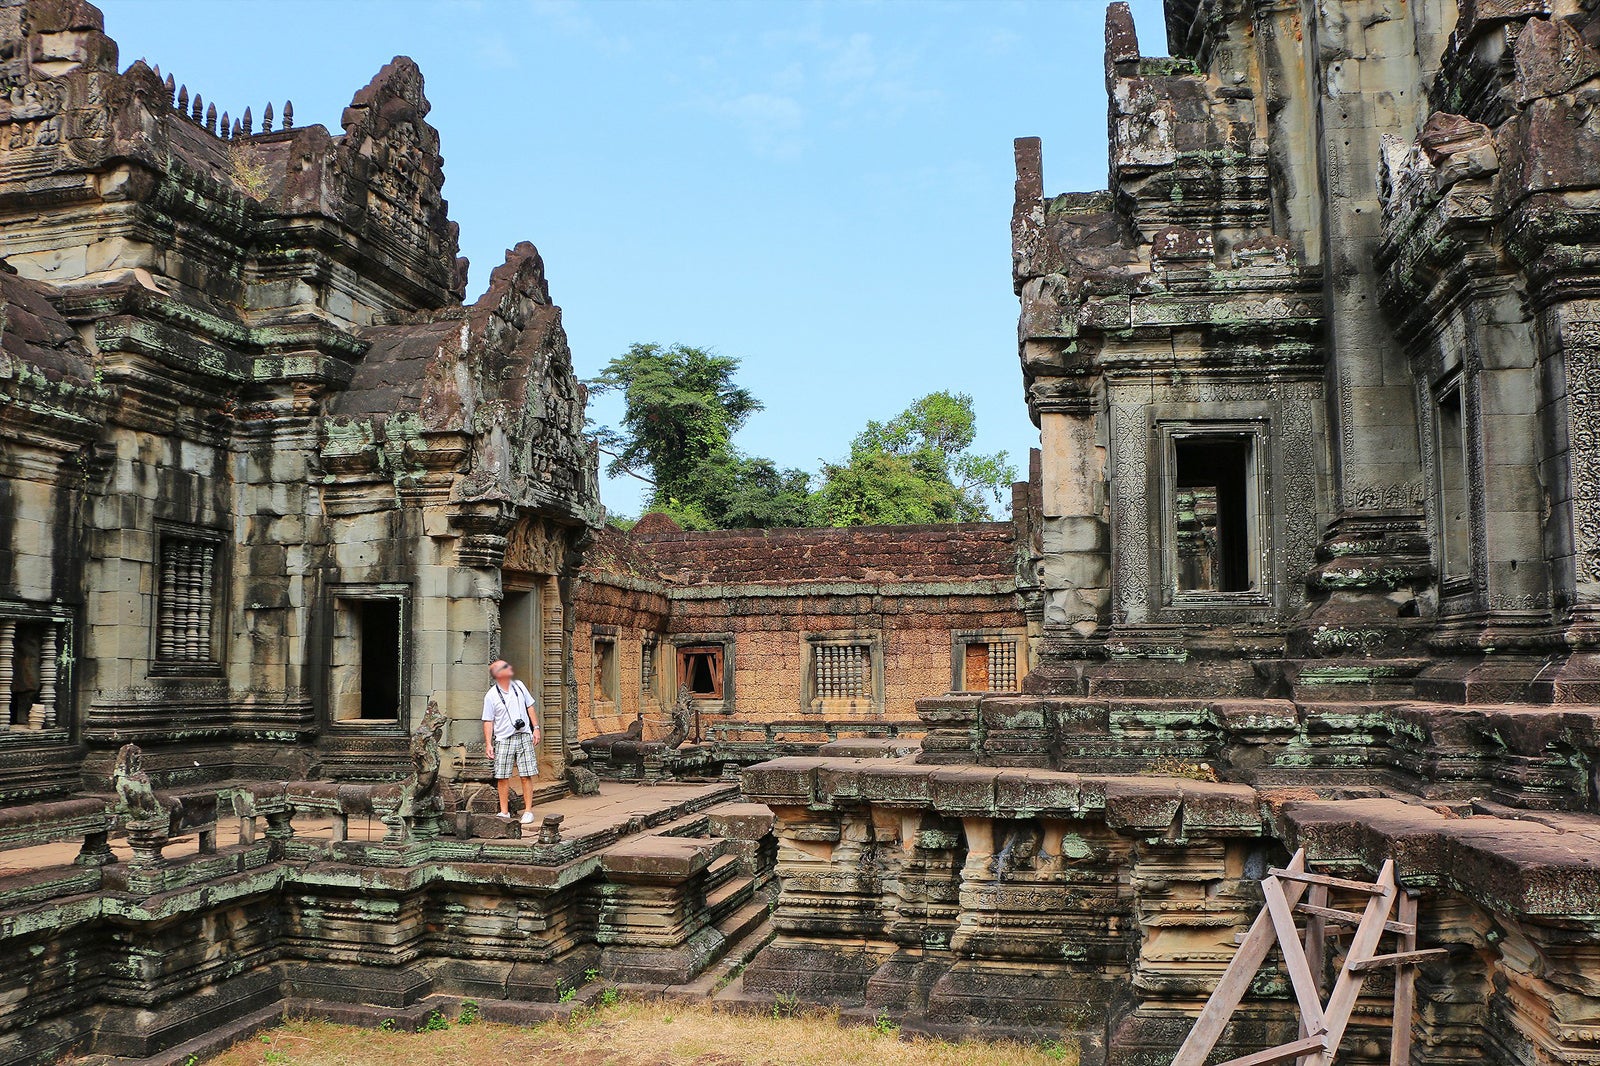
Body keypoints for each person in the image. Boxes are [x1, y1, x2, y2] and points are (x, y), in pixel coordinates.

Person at [482, 659, 540, 822]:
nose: (510, 668)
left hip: (523, 735)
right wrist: (488, 743)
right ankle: (504, 811)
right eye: (505, 667)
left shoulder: (519, 686)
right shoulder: (491, 696)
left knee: (526, 774)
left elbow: (530, 707)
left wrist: (535, 728)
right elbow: (488, 720)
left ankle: (528, 810)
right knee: (502, 776)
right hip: (503, 738)